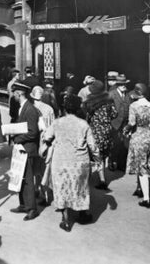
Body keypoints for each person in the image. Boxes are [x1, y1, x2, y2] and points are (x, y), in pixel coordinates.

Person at [43, 94, 100, 231]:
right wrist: (98, 159)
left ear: (65, 108)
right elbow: (92, 146)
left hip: (60, 161)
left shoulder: (57, 122)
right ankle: (82, 214)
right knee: (80, 187)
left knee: (62, 187)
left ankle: (66, 220)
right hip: (80, 162)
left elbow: (47, 137)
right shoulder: (83, 124)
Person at [9, 80, 40, 221]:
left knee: (27, 179)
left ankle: (32, 208)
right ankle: (23, 204)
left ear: (19, 93)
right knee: (20, 177)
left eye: (14, 93)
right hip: (22, 148)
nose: (13, 96)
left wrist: (18, 139)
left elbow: (33, 132)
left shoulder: (30, 109)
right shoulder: (22, 107)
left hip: (28, 148)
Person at [124, 83, 150, 208]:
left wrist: (126, 130)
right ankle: (139, 189)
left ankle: (146, 198)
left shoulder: (134, 106)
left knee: (141, 167)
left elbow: (132, 122)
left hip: (138, 137)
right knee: (146, 164)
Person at [82, 80, 117, 190]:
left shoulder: (89, 102)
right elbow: (115, 114)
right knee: (101, 155)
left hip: (94, 131)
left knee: (93, 155)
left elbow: (86, 116)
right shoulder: (109, 101)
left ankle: (93, 179)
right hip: (107, 130)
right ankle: (102, 178)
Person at [30, 85, 55, 203]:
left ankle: (37, 189)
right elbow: (53, 126)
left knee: (35, 167)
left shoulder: (30, 108)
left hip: (34, 141)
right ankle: (44, 193)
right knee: (44, 167)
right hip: (46, 141)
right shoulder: (49, 108)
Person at [108, 74, 131, 171]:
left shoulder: (128, 95)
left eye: (124, 84)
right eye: (121, 84)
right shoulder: (111, 94)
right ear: (117, 85)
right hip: (114, 123)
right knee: (114, 144)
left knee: (124, 144)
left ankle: (121, 164)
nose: (123, 86)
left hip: (125, 123)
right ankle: (112, 161)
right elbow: (107, 109)